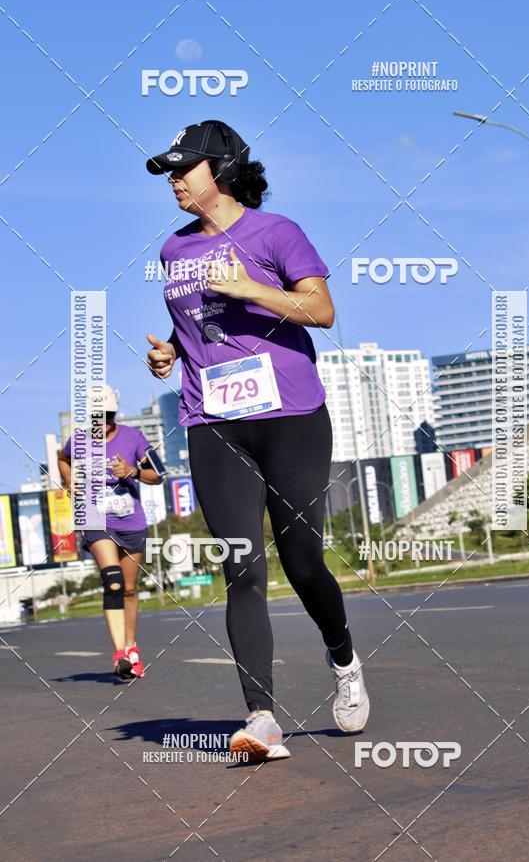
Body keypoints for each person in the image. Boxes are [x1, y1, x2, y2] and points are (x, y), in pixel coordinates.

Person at [145, 120, 370, 762]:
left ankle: (344, 658)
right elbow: (195, 325)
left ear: (220, 169)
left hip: (291, 415)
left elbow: (320, 311)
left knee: (301, 561)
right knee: (241, 566)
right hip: (214, 421)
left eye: (183, 169)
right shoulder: (174, 251)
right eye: (169, 172)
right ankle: (261, 718)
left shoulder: (277, 233)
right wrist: (168, 356)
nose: (174, 181)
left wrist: (249, 288)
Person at [57, 385, 164, 680]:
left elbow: (159, 475)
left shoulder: (135, 438)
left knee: (129, 589)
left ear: (115, 413)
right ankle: (119, 652)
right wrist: (68, 481)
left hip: (131, 522)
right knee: (113, 581)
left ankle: (131, 648)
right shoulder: (79, 441)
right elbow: (62, 458)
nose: (101, 421)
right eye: (95, 416)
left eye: (107, 415)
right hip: (96, 520)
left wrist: (133, 471)